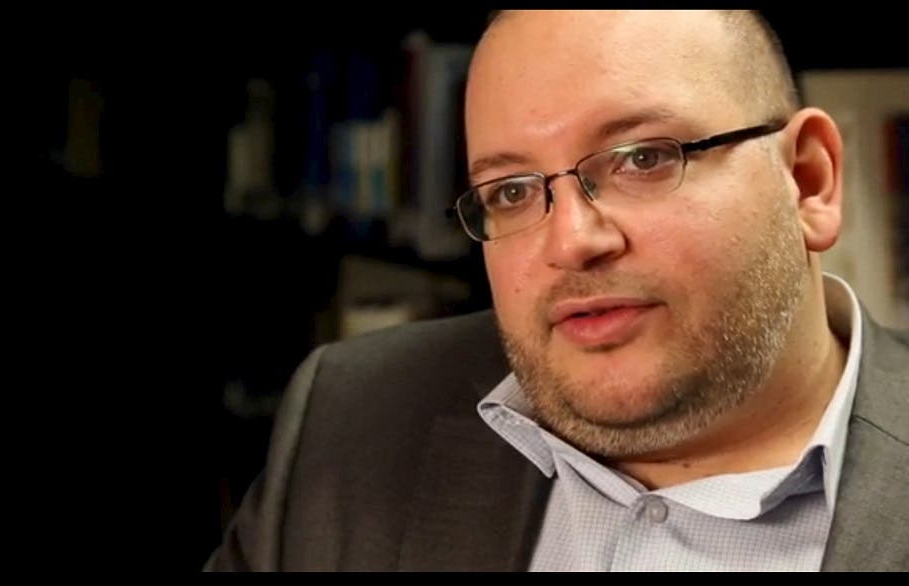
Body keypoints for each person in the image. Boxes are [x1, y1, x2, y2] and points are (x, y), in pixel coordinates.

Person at [205, 10, 909, 571]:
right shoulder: (355, 417)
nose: (571, 241)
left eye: (644, 158)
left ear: (808, 181)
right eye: (510, 190)